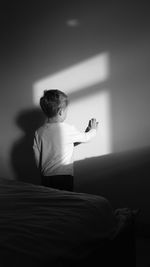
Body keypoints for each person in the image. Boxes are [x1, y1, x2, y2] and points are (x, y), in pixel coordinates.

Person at [33, 89, 98, 191]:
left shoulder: (39, 132)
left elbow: (37, 157)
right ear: (60, 112)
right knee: (65, 200)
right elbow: (87, 138)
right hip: (63, 175)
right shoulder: (67, 128)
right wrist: (93, 130)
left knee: (50, 202)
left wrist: (43, 172)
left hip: (46, 176)